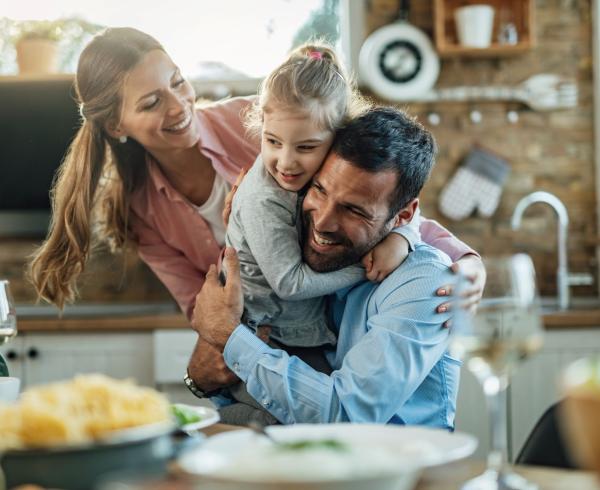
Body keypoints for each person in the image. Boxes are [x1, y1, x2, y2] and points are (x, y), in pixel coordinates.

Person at [191, 106, 469, 428]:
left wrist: (229, 336)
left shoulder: (426, 283)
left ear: (404, 215)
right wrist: (201, 373)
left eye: (353, 209)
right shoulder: (304, 247)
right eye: (320, 190)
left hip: (399, 472)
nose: (322, 221)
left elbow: (347, 415)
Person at [221, 42, 420, 424]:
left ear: (338, 141)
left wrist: (403, 237)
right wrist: (367, 265)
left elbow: (395, 199)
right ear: (261, 126)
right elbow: (290, 284)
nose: (286, 161)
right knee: (294, 430)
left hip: (306, 332)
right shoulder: (264, 198)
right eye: (272, 142)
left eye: (307, 147)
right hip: (271, 335)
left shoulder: (336, 166)